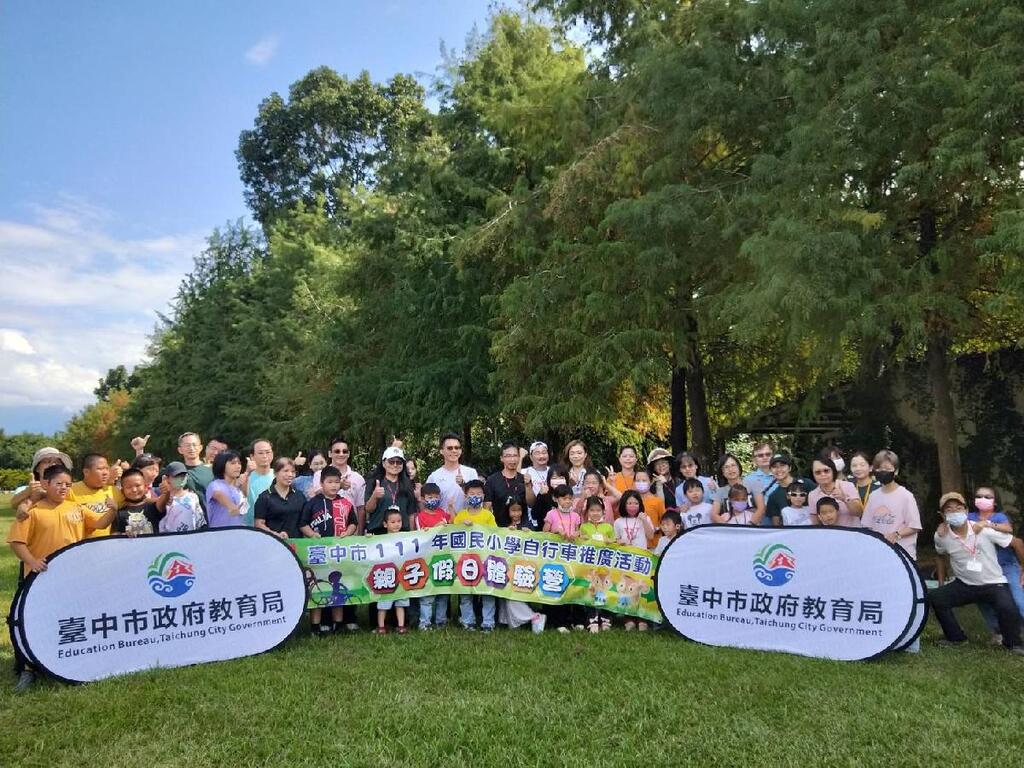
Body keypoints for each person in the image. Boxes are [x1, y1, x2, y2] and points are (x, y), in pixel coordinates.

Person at [7, 463, 117, 692]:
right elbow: (17, 542)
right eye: (59, 484)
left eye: (68, 484)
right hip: (40, 578)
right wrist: (32, 562)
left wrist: (112, 510)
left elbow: (99, 523)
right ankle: (29, 669)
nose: (64, 488)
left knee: (70, 618)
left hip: (72, 578)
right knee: (37, 623)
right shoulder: (32, 510)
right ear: (45, 484)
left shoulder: (76, 507)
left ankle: (68, 662)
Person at [931, 492, 1024, 655]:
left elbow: (1017, 542)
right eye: (949, 509)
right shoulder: (941, 536)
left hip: (994, 583)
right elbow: (939, 554)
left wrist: (1023, 567)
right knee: (936, 598)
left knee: (1008, 608)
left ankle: (1013, 644)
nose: (954, 512)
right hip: (965, 584)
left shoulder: (983, 530)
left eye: (958, 508)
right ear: (942, 515)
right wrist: (941, 582)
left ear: (966, 511)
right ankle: (956, 638)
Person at [861, 449, 922, 653]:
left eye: (887, 468)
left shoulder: (905, 496)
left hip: (903, 553)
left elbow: (914, 525)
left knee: (905, 596)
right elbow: (867, 525)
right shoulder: (874, 496)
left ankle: (911, 641)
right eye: (879, 468)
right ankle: (886, 635)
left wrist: (896, 534)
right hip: (880, 555)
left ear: (896, 470)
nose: (883, 472)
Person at [965, 487, 1024, 642]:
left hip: (1006, 565)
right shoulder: (969, 516)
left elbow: (1008, 529)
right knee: (983, 599)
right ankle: (998, 632)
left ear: (995, 501)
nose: (982, 499)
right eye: (979, 496)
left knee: (1018, 600)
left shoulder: (999, 516)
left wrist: (986, 524)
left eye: (987, 496)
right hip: (983, 568)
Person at [452, 480, 497, 631]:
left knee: (487, 592)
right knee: (466, 592)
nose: (475, 497)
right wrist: (461, 526)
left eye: (479, 494)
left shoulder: (488, 515)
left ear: (483, 496)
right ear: (465, 496)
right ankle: (467, 621)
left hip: (484, 560)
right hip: (466, 561)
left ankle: (488, 622)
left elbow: (495, 534)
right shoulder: (461, 516)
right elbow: (452, 535)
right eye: (472, 494)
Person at [498, 497, 540, 630]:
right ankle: (508, 621)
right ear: (508, 511)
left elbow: (536, 542)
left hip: (523, 566)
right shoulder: (503, 526)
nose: (516, 514)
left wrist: (529, 533)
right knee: (504, 593)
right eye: (513, 511)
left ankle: (532, 616)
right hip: (506, 565)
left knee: (513, 593)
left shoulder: (528, 525)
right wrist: (506, 532)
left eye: (519, 510)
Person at [415, 482, 451, 630]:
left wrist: (452, 509)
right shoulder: (420, 516)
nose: (434, 500)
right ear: (423, 499)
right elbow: (421, 536)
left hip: (444, 557)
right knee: (428, 593)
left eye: (436, 497)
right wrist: (435, 528)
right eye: (430, 497)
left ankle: (441, 621)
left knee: (443, 593)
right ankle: (425, 622)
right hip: (428, 558)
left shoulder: (443, 513)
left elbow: (453, 526)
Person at [312, 437, 367, 531]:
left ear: (348, 454)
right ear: (330, 454)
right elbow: (317, 494)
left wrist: (360, 532)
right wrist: (339, 486)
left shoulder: (358, 478)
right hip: (325, 530)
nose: (341, 454)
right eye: (337, 451)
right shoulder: (319, 474)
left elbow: (360, 508)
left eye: (344, 451)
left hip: (350, 531)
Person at [580, 496, 616, 633]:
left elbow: (614, 544)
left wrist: (610, 541)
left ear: (603, 512)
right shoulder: (584, 527)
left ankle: (606, 619)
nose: (595, 513)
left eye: (598, 510)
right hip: (590, 566)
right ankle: (592, 619)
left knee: (605, 590)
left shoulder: (608, 527)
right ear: (587, 512)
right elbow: (580, 543)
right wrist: (581, 538)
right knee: (590, 591)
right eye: (592, 510)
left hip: (605, 567)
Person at [364, 446, 418, 534]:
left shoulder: (408, 485)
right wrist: (374, 496)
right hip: (378, 532)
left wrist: (412, 534)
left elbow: (411, 513)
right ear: (383, 463)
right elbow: (368, 509)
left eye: (399, 462)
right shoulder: (374, 482)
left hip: (402, 533)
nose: (395, 465)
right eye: (391, 461)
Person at [426, 433, 479, 517]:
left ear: (461, 451)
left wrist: (463, 485)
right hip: (443, 522)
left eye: (457, 448)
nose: (454, 451)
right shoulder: (434, 476)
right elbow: (427, 504)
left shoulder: (471, 472)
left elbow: (478, 499)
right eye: (449, 448)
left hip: (467, 521)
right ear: (441, 451)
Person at [10, 446, 74, 517]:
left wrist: (41, 494)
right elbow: (14, 504)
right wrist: (28, 492)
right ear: (37, 468)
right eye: (47, 461)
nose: (53, 464)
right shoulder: (25, 490)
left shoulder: (70, 489)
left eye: (57, 462)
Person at [375, 510, 411, 635]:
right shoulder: (380, 538)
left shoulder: (406, 537)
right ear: (385, 524)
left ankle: (401, 625)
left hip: (401, 575)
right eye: (393, 522)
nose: (396, 524)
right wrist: (368, 539)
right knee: (383, 602)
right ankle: (381, 626)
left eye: (399, 521)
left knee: (400, 602)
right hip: (385, 575)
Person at [484, 441, 535, 526]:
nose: (512, 459)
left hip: (522, 529)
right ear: (501, 458)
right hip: (500, 529)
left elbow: (531, 504)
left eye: (515, 455)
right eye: (508, 456)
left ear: (519, 457)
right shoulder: (492, 480)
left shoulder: (525, 479)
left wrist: (528, 486)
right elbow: (487, 508)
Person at [254, 457, 304, 539]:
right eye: (286, 471)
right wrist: (275, 535)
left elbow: (305, 522)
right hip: (273, 542)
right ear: (275, 473)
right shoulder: (264, 497)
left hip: (297, 544)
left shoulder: (299, 496)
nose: (290, 475)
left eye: (293, 472)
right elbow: (259, 524)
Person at [807, 454, 862, 527]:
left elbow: (859, 513)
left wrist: (844, 498)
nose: (823, 474)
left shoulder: (848, 486)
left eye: (826, 471)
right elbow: (816, 522)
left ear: (833, 471)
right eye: (818, 472)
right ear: (813, 475)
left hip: (851, 532)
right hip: (829, 533)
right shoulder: (812, 495)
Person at [711, 454, 765, 524]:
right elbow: (714, 515)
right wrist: (728, 527)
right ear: (722, 472)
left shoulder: (753, 484)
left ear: (739, 467)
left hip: (753, 527)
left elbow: (761, 508)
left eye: (733, 465)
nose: (730, 469)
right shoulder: (720, 492)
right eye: (726, 467)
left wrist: (750, 525)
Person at [71, 454, 116, 538]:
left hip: (107, 544)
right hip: (81, 544)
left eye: (107, 469)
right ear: (86, 472)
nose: (105, 473)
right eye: (100, 469)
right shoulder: (71, 491)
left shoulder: (114, 491)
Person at [111, 468, 163, 536]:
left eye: (138, 485)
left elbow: (165, 500)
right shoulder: (119, 513)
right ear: (122, 491)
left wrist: (166, 491)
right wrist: (123, 535)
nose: (134, 490)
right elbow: (114, 535)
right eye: (129, 487)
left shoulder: (154, 506)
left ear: (145, 487)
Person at [158, 462, 206, 533]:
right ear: (167, 478)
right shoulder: (163, 500)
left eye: (183, 475)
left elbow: (200, 522)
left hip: (191, 537)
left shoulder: (193, 497)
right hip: (168, 538)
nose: (181, 478)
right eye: (176, 476)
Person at [205, 450, 247, 528]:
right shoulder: (215, 485)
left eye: (239, 463)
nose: (238, 466)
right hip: (219, 533)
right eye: (233, 463)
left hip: (237, 532)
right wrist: (231, 506)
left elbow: (243, 510)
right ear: (222, 465)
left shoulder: (238, 489)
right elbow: (218, 494)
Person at [177, 432, 214, 514]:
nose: (191, 448)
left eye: (194, 445)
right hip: (186, 518)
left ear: (200, 447)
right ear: (180, 450)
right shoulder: (177, 472)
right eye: (187, 445)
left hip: (211, 518)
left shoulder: (212, 470)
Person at [242, 438, 274, 527]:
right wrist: (247, 473)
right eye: (260, 453)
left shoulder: (279, 475)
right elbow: (243, 494)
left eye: (268, 452)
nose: (265, 456)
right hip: (250, 527)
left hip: (274, 527)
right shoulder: (245, 477)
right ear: (252, 456)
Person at [634, 469, 666, 548]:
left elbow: (665, 521)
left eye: (644, 480)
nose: (641, 483)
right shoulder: (631, 501)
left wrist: (657, 529)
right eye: (638, 480)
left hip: (653, 545)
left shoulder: (657, 501)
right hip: (635, 546)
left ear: (651, 482)